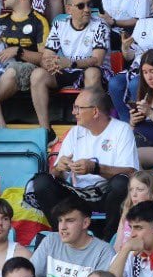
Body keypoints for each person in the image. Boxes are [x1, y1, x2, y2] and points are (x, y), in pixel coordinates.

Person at [29, 89, 136, 241]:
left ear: (95, 111)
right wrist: (59, 168)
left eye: (78, 108)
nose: (74, 112)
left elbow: (130, 171)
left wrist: (95, 168)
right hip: (77, 195)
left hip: (106, 195)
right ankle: (63, 236)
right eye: (74, 107)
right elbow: (55, 174)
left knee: (121, 183)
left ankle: (108, 240)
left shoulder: (121, 130)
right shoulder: (75, 132)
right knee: (41, 181)